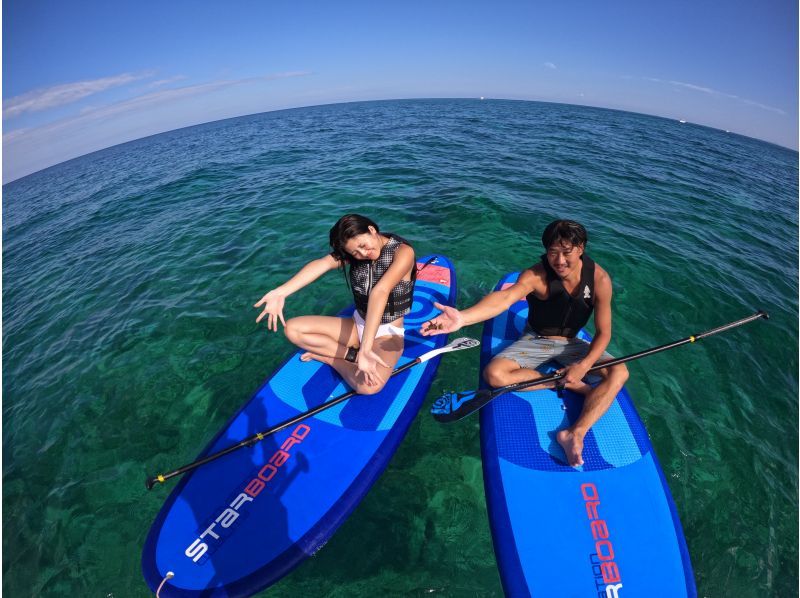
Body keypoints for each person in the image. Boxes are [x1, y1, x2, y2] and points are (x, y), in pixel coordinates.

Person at [421, 219, 628, 466]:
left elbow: (603, 333)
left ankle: (575, 433)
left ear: (581, 248)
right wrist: (463, 318)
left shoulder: (599, 279)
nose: (560, 260)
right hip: (537, 339)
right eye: (553, 252)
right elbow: (505, 298)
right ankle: (563, 382)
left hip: (572, 343)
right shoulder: (535, 276)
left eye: (567, 252)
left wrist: (583, 366)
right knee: (495, 375)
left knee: (619, 371)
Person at [254, 214, 416, 395]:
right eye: (355, 253)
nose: (363, 254)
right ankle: (351, 356)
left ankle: (330, 358)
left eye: (363, 246)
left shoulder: (403, 252)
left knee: (369, 386)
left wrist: (366, 348)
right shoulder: (355, 254)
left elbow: (380, 292)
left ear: (371, 230)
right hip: (357, 325)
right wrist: (280, 292)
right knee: (292, 329)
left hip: (387, 334)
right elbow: (323, 264)